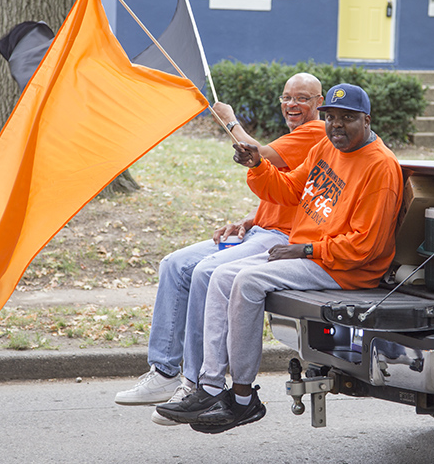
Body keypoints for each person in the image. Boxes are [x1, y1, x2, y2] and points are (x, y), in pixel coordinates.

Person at [155, 83, 404, 433]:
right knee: (222, 275)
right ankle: (210, 387)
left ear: (366, 119)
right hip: (311, 255)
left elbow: (364, 247)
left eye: (347, 119)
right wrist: (258, 165)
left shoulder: (380, 167)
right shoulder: (326, 147)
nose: (337, 126)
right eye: (331, 118)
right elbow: (288, 190)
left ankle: (242, 399)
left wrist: (304, 249)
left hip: (345, 269)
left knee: (247, 281)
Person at [114, 73, 326, 422]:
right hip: (260, 230)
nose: (292, 105)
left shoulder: (316, 134)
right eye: (287, 97)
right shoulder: (297, 137)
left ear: (319, 103)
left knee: (204, 273)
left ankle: (196, 384)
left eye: (303, 98)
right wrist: (249, 219)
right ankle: (164, 372)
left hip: (280, 240)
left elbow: (259, 156)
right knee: (173, 263)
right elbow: (287, 190)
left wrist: (229, 120)